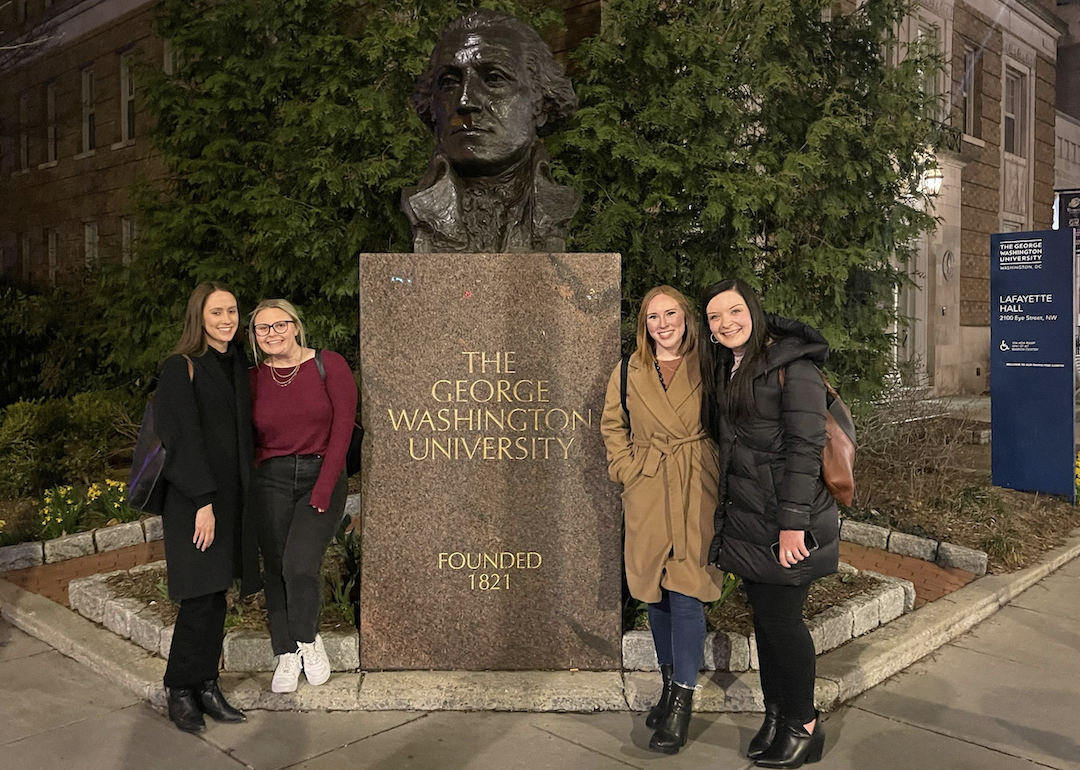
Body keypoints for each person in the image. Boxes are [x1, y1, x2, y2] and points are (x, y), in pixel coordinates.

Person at [699, 278, 839, 768]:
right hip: (750, 518)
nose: (726, 323)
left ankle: (804, 723)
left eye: (735, 311)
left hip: (786, 518)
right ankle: (777, 714)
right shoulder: (731, 366)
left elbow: (806, 449)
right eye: (715, 317)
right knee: (767, 622)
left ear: (755, 313)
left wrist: (793, 525)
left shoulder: (792, 367)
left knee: (783, 622)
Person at [600, 285, 724, 755]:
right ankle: (670, 686)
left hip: (696, 484)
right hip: (649, 486)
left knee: (686, 590)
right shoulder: (628, 371)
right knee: (655, 592)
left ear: (686, 317)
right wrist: (628, 470)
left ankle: (682, 703)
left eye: (670, 313)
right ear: (643, 325)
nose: (663, 324)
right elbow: (613, 425)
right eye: (653, 317)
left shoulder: (709, 364)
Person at [154, 281, 262, 733]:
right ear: (199, 317)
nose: (226, 320)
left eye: (232, 311)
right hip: (194, 501)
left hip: (229, 498)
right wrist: (203, 502)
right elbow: (182, 441)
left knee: (216, 594)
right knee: (199, 596)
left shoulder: (237, 362)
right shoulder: (180, 367)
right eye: (216, 313)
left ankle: (207, 685)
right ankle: (180, 688)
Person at [403, 9, 580, 252]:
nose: (465, 100)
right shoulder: (420, 207)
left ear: (540, 104)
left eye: (494, 79)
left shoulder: (556, 206)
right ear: (432, 107)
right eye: (449, 83)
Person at [248, 299, 357, 693]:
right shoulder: (253, 378)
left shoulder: (329, 365)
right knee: (276, 567)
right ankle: (286, 652)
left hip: (320, 474)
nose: (272, 333)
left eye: (279, 325)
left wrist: (325, 486)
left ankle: (309, 641)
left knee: (299, 565)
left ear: (295, 326)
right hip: (271, 481)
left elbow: (343, 428)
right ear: (255, 337)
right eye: (263, 328)